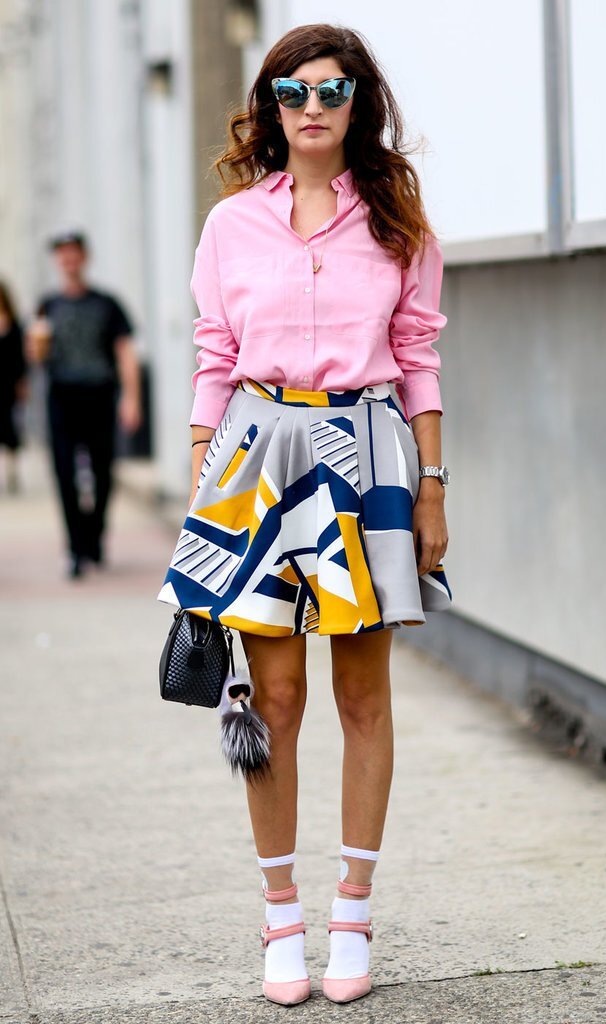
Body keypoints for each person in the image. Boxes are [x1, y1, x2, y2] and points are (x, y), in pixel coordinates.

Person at [158, 23, 452, 1006]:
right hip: (255, 461)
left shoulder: (396, 221)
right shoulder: (232, 225)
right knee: (271, 700)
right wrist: (205, 493)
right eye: (293, 91)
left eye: (332, 91)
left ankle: (351, 914)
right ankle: (280, 917)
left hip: (364, 457)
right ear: (271, 106)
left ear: (356, 103)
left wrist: (433, 488)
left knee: (362, 698)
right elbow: (211, 359)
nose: (313, 107)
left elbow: (417, 358)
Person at [28, 231, 142, 578]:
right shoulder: (47, 304)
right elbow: (35, 355)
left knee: (103, 472)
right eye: (62, 255)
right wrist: (36, 347)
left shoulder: (107, 304)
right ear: (57, 261)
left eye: (73, 254)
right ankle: (76, 550)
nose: (69, 260)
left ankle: (94, 536)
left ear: (84, 257)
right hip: (61, 398)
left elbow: (125, 353)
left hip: (99, 396)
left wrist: (132, 398)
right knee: (65, 474)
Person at [0, 280, 28, 493]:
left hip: (8, 384)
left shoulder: (14, 324)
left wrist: (22, 381)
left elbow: (21, 357)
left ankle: (11, 472)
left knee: (10, 428)